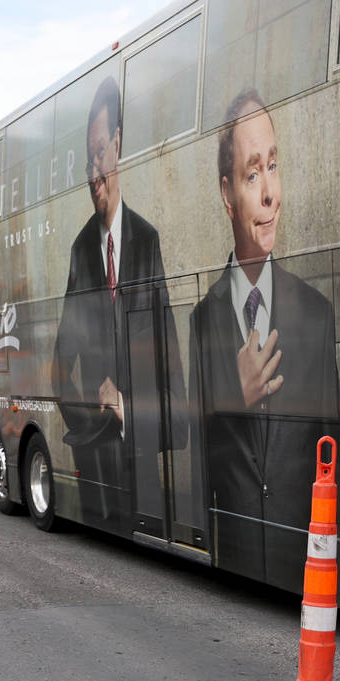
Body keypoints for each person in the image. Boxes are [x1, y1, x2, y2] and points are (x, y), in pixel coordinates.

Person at [189, 90, 339, 588]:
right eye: (253, 174)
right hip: (233, 565)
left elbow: (330, 447)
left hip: (304, 565)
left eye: (273, 166)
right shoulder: (203, 320)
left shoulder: (317, 316)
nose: (270, 192)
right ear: (227, 193)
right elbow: (197, 452)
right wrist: (232, 393)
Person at [51, 74, 187, 534]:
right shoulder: (79, 251)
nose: (93, 174)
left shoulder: (148, 243)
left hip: (139, 463)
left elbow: (174, 388)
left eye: (99, 155)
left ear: (118, 143)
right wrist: (86, 430)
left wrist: (125, 407)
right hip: (94, 471)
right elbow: (58, 368)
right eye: (87, 161)